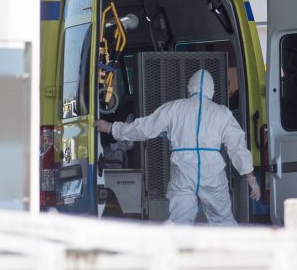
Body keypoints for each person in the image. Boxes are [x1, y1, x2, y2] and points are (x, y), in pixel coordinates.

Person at [95, 69, 260, 225]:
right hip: (213, 173)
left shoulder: (174, 108)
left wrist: (111, 128)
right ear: (212, 90)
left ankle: (175, 253)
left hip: (183, 172)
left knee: (179, 223)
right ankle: (231, 252)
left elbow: (144, 127)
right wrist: (251, 179)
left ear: (190, 86)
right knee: (223, 221)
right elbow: (237, 147)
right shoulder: (222, 113)